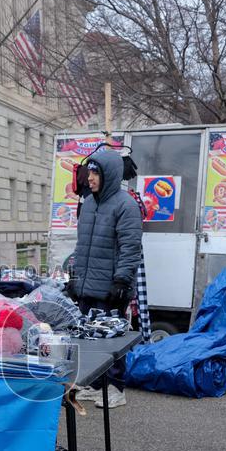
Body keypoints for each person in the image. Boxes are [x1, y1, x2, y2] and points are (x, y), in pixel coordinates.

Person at [67, 147, 143, 409]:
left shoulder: (126, 205)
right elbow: (81, 246)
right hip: (88, 286)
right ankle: (95, 385)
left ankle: (116, 388)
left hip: (112, 287)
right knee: (90, 338)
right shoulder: (88, 203)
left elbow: (130, 248)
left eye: (95, 173)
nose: (90, 178)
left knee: (111, 339)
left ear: (109, 174)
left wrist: (122, 281)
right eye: (89, 173)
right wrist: (74, 278)